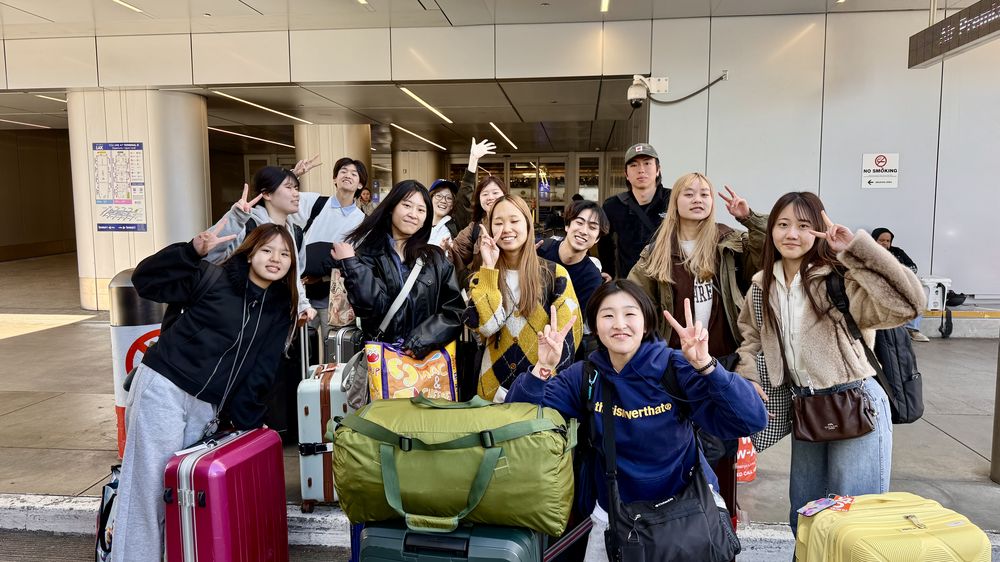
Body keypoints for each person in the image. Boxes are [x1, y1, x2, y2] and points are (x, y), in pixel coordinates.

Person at [504, 280, 768, 561]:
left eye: (630, 314)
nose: (619, 324)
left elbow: (751, 418)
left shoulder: (674, 367)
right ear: (594, 324)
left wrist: (707, 365)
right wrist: (543, 367)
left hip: (686, 511)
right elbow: (518, 418)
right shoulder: (585, 376)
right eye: (608, 315)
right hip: (614, 517)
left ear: (646, 322)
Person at [734, 192, 924, 534]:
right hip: (807, 408)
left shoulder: (840, 279)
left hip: (856, 403)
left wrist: (857, 252)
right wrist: (748, 375)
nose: (792, 234)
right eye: (783, 225)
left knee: (854, 517)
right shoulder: (762, 287)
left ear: (819, 231)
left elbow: (909, 304)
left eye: (804, 226)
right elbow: (750, 335)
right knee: (806, 516)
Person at [112, 223, 299, 562]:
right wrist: (190, 251)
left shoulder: (277, 309)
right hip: (164, 387)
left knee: (178, 491)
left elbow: (261, 372)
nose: (276, 259)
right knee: (149, 490)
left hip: (206, 408)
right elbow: (146, 281)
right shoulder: (213, 277)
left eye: (285, 254)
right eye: (267, 250)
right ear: (251, 251)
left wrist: (247, 425)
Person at [626, 172, 766, 526]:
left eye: (705, 193)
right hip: (673, 367)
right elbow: (633, 295)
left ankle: (717, 519)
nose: (698, 198)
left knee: (720, 443)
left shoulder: (728, 241)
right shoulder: (658, 248)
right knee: (675, 442)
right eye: (689, 193)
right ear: (675, 201)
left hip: (722, 360)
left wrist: (748, 217)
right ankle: (680, 518)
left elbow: (767, 255)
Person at [465, 195, 582, 402]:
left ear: (528, 225)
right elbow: (486, 327)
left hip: (541, 387)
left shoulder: (555, 275)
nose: (506, 229)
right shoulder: (481, 277)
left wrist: (539, 379)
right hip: (492, 387)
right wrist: (489, 268)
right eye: (498, 223)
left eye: (514, 220)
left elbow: (567, 342)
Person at [331, 180, 464, 358]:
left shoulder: (435, 258)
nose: (413, 214)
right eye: (407, 205)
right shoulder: (368, 254)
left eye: (421, 210)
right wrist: (351, 264)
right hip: (382, 364)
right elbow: (370, 306)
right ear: (392, 207)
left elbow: (455, 312)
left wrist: (421, 340)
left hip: (426, 364)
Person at [204, 166, 315, 322]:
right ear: (267, 194)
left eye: (296, 188)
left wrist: (301, 305)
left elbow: (294, 276)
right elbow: (210, 256)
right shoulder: (247, 225)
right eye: (289, 187)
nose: (296, 194)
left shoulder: (296, 233)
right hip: (236, 315)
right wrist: (235, 219)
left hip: (274, 317)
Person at [293, 157, 368, 342]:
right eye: (343, 171)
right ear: (335, 179)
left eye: (354, 173)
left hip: (336, 298)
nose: (348, 175)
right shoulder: (315, 203)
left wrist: (323, 277)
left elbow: (358, 262)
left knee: (334, 347)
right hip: (302, 292)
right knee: (299, 347)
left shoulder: (363, 222)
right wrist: (294, 175)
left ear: (360, 185)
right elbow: (280, 198)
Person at [597, 143, 671, 279]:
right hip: (630, 284)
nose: (641, 170)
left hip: (667, 281)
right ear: (626, 173)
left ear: (658, 169)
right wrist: (608, 273)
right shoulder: (613, 205)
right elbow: (604, 245)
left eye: (647, 163)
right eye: (633, 165)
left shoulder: (673, 200)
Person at [537, 199, 608, 328]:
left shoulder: (591, 277)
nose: (584, 231)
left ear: (597, 238)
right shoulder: (539, 249)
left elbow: (574, 323)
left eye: (592, 227)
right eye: (579, 223)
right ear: (567, 226)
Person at [450, 174, 509, 288]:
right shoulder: (475, 228)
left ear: (504, 195)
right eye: (485, 194)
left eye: (495, 193)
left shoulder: (516, 224)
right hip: (483, 291)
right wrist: (445, 250)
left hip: (514, 288)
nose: (490, 197)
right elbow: (455, 253)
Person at [872, 227, 929, 342]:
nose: (885, 243)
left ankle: (912, 330)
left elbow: (913, 267)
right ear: (874, 240)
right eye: (881, 240)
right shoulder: (869, 252)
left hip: (900, 284)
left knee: (919, 294)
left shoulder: (897, 252)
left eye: (888, 241)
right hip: (879, 286)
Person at [427, 178, 459, 248]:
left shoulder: (450, 229)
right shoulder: (419, 223)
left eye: (449, 198)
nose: (443, 201)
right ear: (430, 199)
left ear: (452, 205)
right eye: (439, 196)